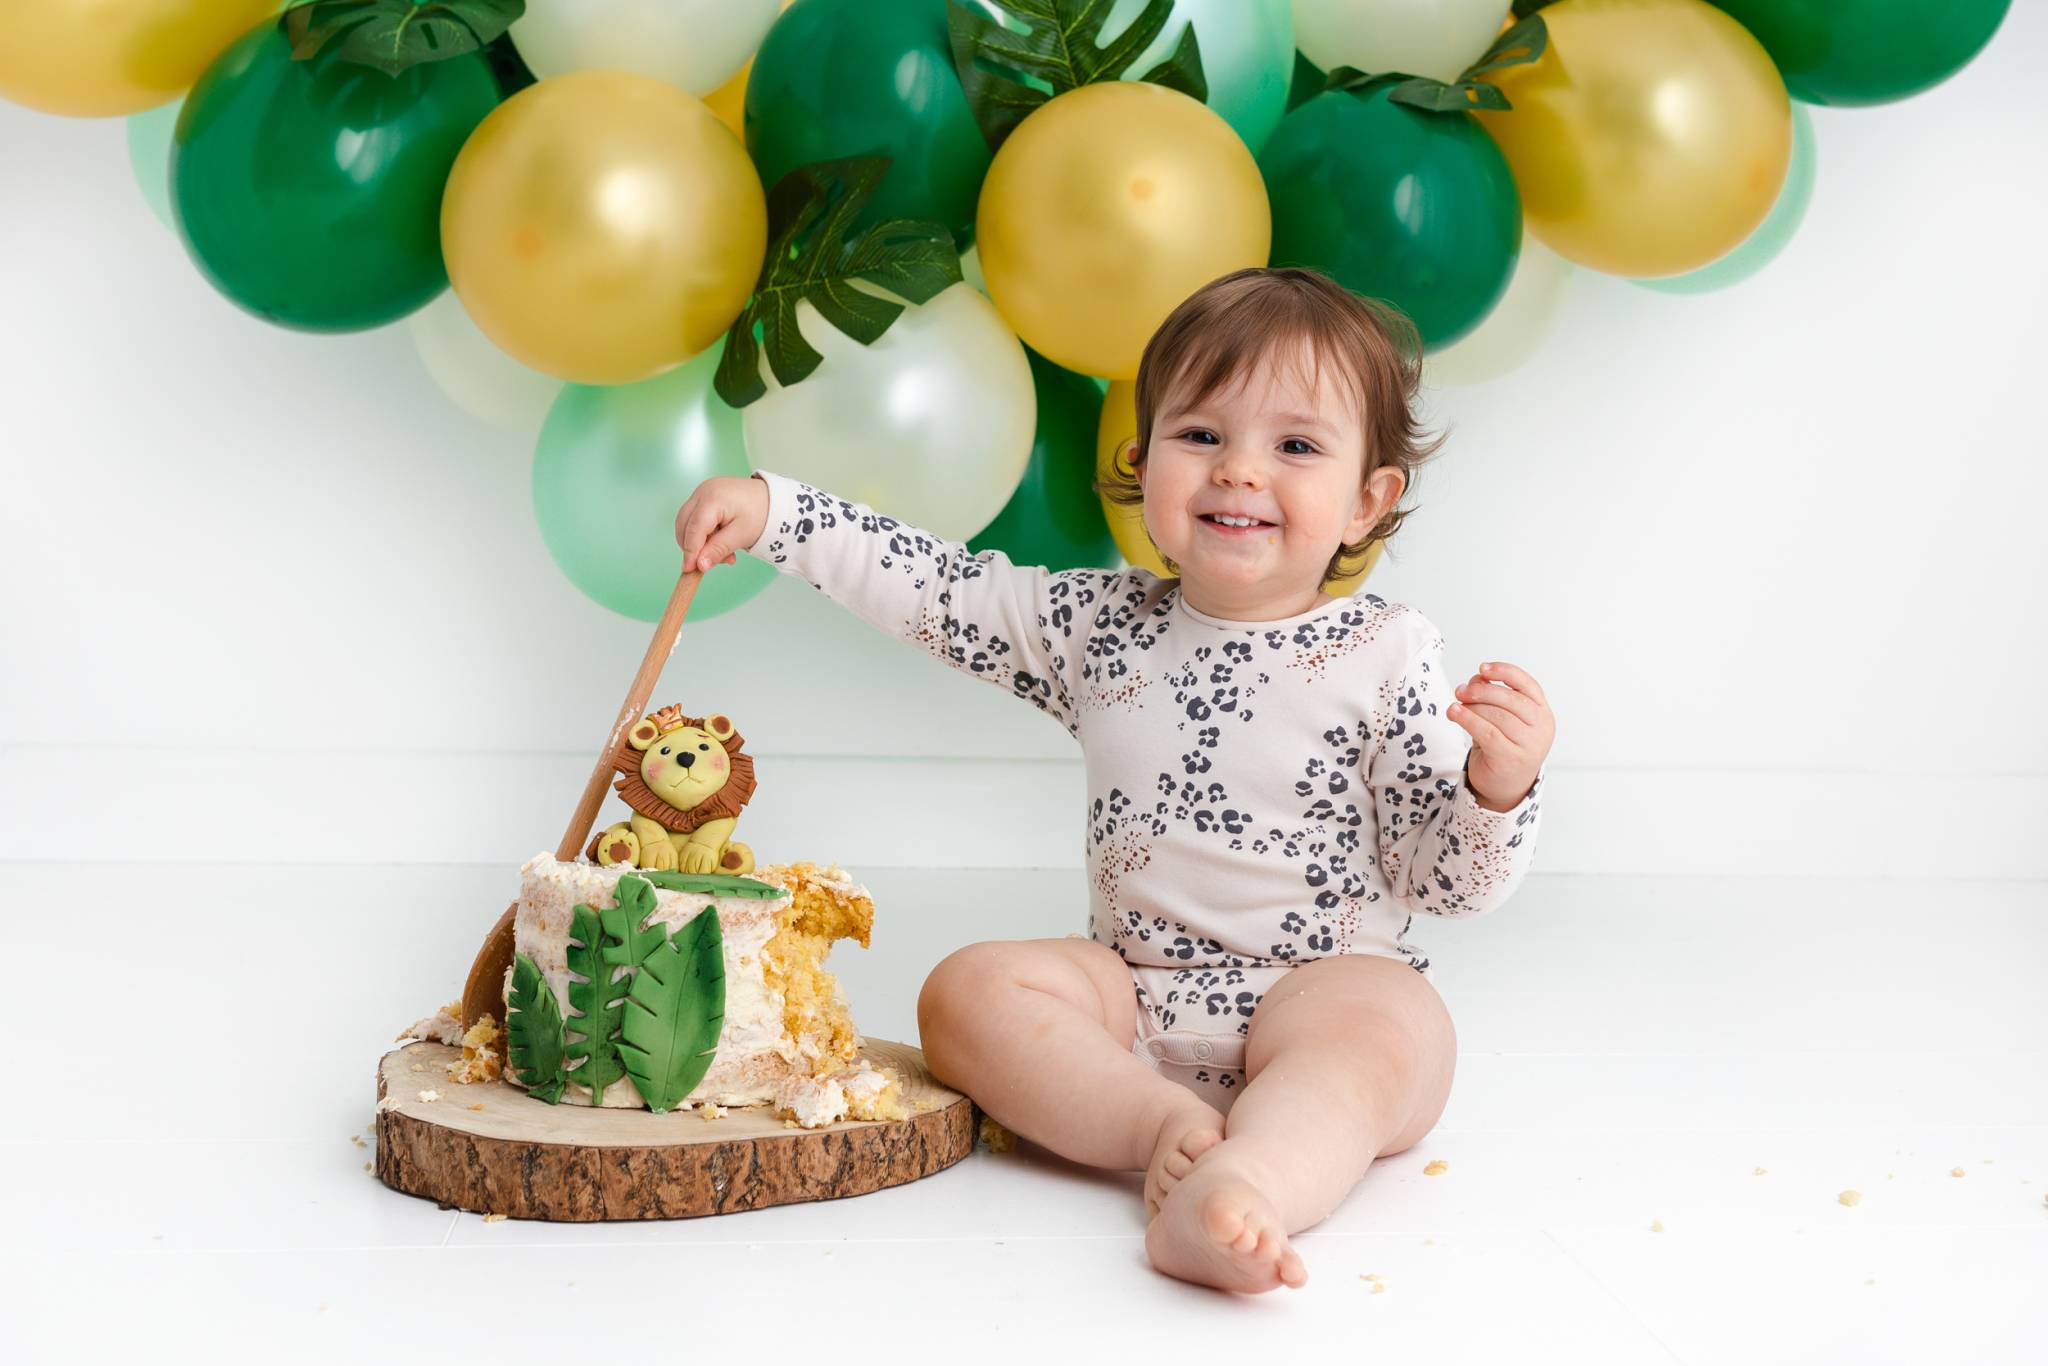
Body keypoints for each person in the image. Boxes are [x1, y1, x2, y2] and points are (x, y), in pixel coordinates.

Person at [673, 266, 1556, 1294]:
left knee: (1391, 1028)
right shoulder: (1101, 628)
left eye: (1295, 446)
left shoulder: (1385, 651)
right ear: (1142, 459)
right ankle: (1162, 1128)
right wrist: (778, 511)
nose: (1237, 471)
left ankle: (1245, 1187)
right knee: (965, 991)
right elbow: (940, 592)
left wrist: (1495, 789)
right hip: (1130, 999)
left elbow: (1440, 883)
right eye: (1200, 435)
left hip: (1316, 990)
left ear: (1367, 500)